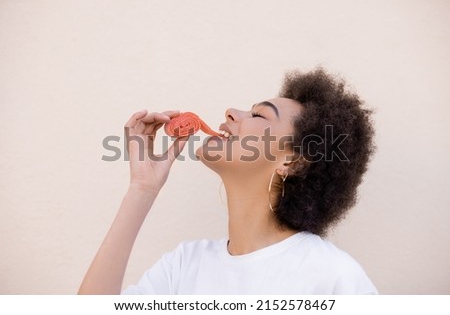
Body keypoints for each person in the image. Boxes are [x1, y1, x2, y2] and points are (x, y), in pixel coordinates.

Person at [78, 68, 377, 295]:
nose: (232, 113)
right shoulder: (184, 265)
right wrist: (141, 189)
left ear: (293, 161)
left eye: (259, 115)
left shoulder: (333, 277)